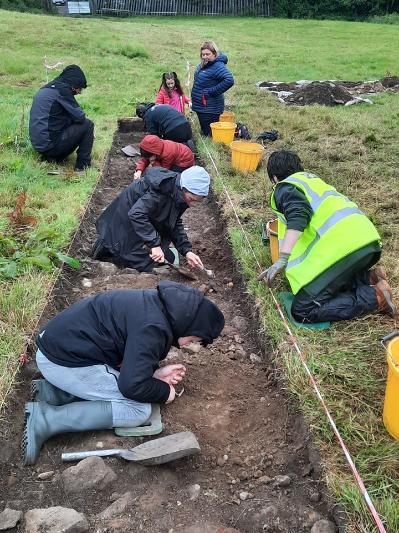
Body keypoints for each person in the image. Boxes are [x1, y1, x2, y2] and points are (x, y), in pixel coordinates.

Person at [22, 280, 225, 465]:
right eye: (196, 339)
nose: (193, 344)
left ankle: (53, 393)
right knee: (138, 410)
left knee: (131, 389)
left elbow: (131, 354)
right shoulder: (153, 328)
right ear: (191, 324)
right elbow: (131, 386)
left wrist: (155, 373)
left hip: (59, 349)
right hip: (62, 362)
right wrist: (165, 392)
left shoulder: (155, 306)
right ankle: (46, 419)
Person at [259, 150, 396, 323]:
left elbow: (298, 213)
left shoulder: (285, 187)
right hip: (368, 243)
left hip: (344, 250)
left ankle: (374, 297)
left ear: (275, 178)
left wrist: (283, 258)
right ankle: (367, 278)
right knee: (329, 283)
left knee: (302, 310)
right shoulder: (312, 181)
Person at [92, 166, 210, 272]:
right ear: (183, 188)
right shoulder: (161, 192)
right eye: (191, 199)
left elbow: (174, 222)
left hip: (140, 221)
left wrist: (186, 251)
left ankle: (118, 246)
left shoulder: (180, 194)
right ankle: (107, 245)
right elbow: (137, 214)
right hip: (122, 223)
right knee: (146, 265)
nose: (192, 204)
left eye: (196, 201)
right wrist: (154, 245)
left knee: (167, 258)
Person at [29, 64, 94, 172]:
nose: (79, 92)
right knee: (87, 125)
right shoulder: (62, 90)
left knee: (68, 120)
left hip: (39, 146)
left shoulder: (47, 88)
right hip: (50, 146)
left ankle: (50, 158)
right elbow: (80, 117)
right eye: (79, 88)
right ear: (73, 84)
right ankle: (82, 166)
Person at [191, 41, 234, 137]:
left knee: (209, 135)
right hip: (202, 106)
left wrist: (211, 92)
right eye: (203, 54)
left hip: (210, 108)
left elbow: (229, 80)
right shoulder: (205, 64)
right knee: (206, 132)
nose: (205, 56)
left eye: (207, 54)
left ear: (214, 53)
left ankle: (216, 147)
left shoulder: (217, 65)